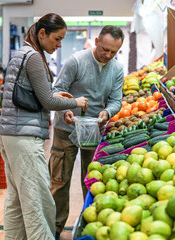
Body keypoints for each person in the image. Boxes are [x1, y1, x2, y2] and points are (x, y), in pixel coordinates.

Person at [0, 13, 88, 240]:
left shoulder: (22, 53)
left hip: (10, 135)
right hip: (23, 139)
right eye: (57, 39)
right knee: (38, 201)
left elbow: (34, 96)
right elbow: (47, 101)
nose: (59, 45)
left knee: (17, 200)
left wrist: (58, 99)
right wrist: (74, 102)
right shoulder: (34, 57)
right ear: (42, 33)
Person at [49, 25, 124, 239]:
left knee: (91, 180)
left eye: (113, 52)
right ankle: (54, 228)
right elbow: (56, 91)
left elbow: (116, 100)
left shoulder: (117, 69)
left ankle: (87, 224)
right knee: (59, 179)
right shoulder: (76, 61)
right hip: (66, 128)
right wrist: (66, 110)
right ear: (98, 40)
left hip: (94, 131)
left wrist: (107, 113)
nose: (108, 55)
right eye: (105, 49)